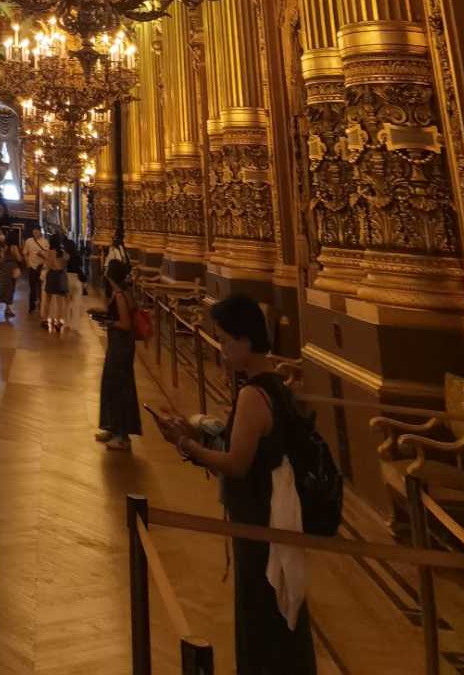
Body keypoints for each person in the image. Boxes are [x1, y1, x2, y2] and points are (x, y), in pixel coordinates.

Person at [155, 295, 317, 673]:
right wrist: (200, 434)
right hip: (273, 514)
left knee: (260, 612)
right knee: (277, 613)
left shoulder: (252, 396)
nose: (223, 349)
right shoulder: (276, 386)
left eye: (226, 341)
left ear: (245, 340)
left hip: (258, 519)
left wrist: (185, 445)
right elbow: (253, 451)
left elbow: (237, 464)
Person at [95, 256, 142, 452]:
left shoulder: (122, 296)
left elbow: (125, 324)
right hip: (118, 345)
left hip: (121, 347)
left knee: (120, 387)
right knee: (111, 384)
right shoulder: (120, 293)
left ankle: (122, 436)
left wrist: (109, 322)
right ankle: (112, 427)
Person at [43, 234, 69, 334]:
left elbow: (48, 264)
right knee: (60, 302)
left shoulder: (49, 252)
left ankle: (45, 320)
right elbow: (66, 261)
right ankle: (58, 322)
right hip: (60, 276)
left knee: (48, 300)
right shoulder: (63, 253)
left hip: (51, 275)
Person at [22, 224, 47, 317]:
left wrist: (42, 255)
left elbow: (47, 255)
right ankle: (31, 306)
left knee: (41, 287)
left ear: (40, 232)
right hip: (32, 267)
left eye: (36, 232)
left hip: (41, 267)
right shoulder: (29, 241)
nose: (35, 234)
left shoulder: (45, 242)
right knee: (32, 288)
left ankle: (41, 305)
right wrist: (27, 263)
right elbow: (25, 253)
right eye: (34, 232)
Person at [0, 231, 21, 321]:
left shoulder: (3, 247)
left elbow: (0, 258)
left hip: (4, 268)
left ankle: (7, 308)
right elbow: (19, 258)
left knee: (6, 287)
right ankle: (8, 308)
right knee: (11, 288)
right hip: (12, 268)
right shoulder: (14, 247)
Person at [64, 236, 86, 332]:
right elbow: (80, 267)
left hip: (68, 278)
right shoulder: (78, 255)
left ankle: (67, 323)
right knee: (76, 303)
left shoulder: (66, 256)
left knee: (67, 303)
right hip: (77, 279)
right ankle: (75, 325)